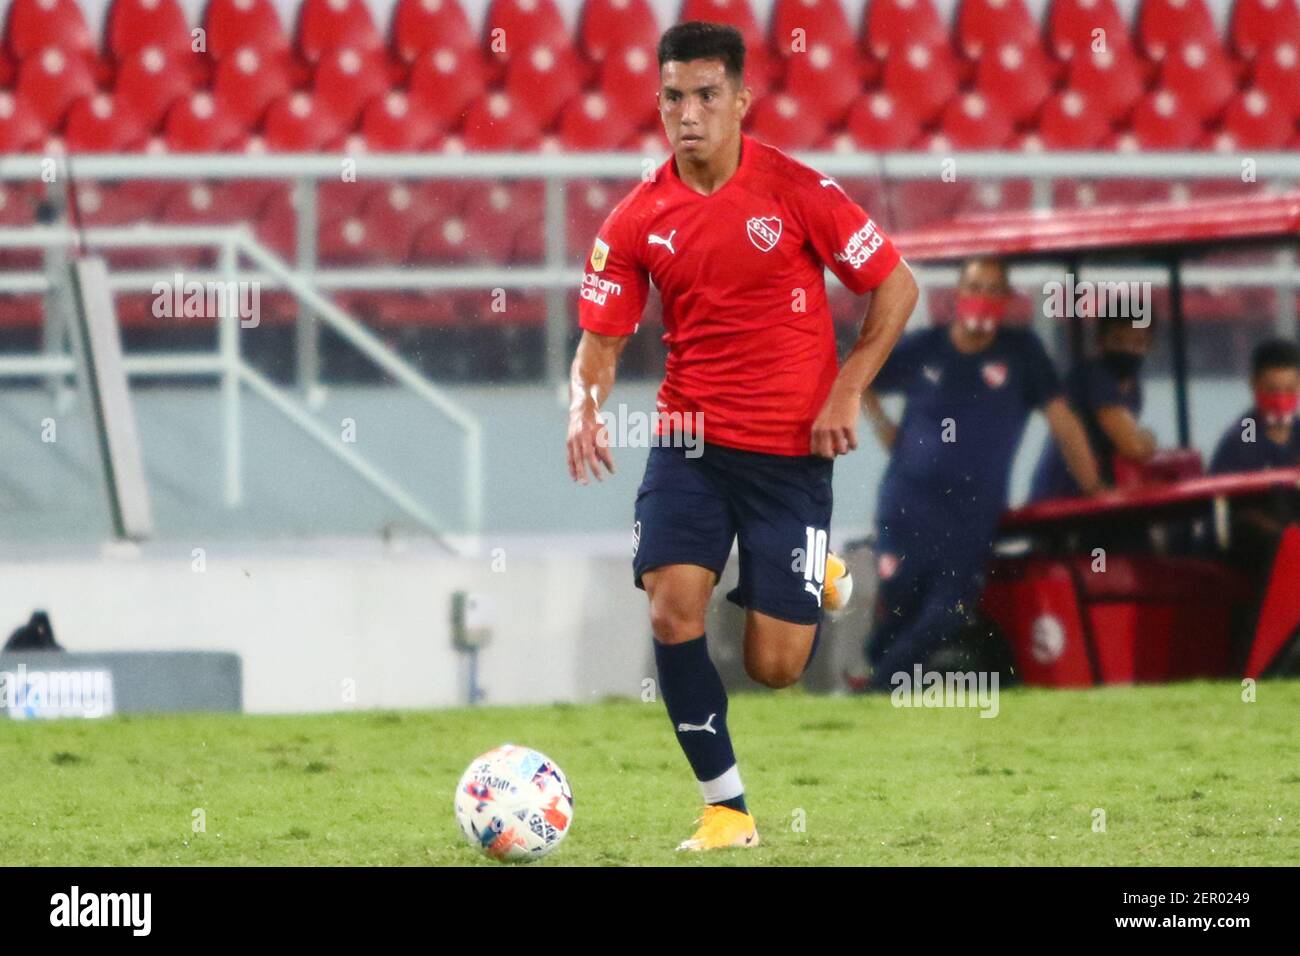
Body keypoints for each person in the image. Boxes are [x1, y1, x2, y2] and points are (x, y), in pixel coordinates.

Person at [565, 21, 918, 851]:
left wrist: (846, 390)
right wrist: (583, 405)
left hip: (790, 457)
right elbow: (602, 340)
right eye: (673, 98)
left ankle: (813, 568)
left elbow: (895, 287)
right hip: (689, 443)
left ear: (741, 101)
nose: (689, 112)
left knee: (776, 667)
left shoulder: (798, 191)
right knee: (672, 611)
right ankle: (726, 809)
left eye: (706, 96)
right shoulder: (635, 218)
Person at [856, 257, 1102, 690]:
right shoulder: (924, 347)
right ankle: (879, 673)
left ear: (1007, 301)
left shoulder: (1021, 353)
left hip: (971, 510)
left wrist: (1095, 489)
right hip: (907, 502)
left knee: (948, 604)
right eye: (975, 286)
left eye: (993, 290)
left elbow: (1063, 420)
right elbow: (861, 374)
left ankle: (877, 689)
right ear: (956, 295)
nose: (982, 298)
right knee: (900, 597)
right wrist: (884, 429)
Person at [1029, 313, 1157, 500]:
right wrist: (1147, 439)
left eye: (1138, 342)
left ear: (1149, 344)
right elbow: (1132, 446)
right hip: (1062, 493)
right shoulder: (1094, 376)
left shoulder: (1133, 386)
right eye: (1118, 340)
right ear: (1100, 340)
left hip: (1098, 491)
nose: (1128, 349)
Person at [1208, 339, 1300, 566]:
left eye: (1289, 389)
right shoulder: (1242, 437)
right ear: (1254, 385)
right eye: (1272, 389)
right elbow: (1236, 511)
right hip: (1249, 540)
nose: (1280, 399)